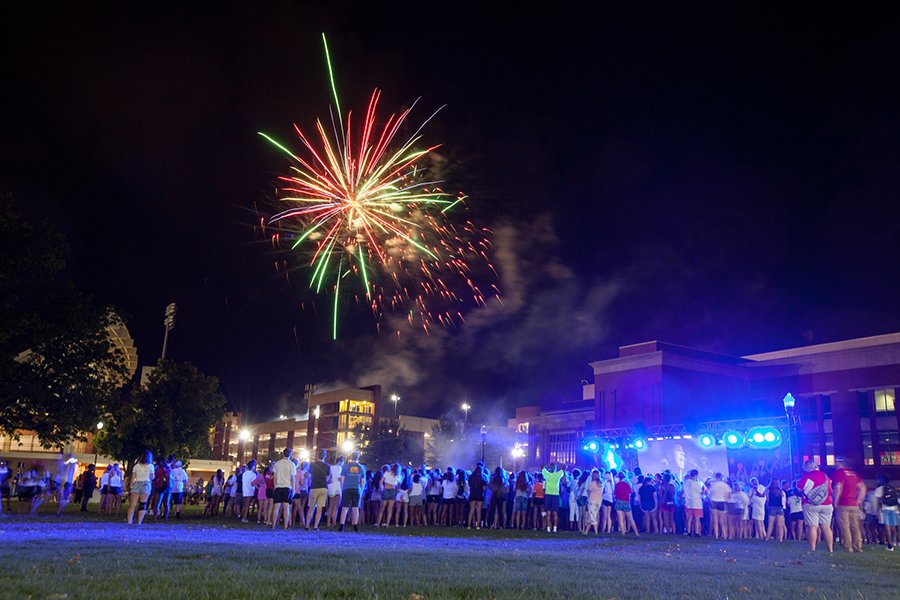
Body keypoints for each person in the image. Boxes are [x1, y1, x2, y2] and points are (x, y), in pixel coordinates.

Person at [798, 458, 834, 552]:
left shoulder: (807, 476)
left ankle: (813, 549)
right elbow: (830, 490)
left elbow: (799, 489)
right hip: (827, 503)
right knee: (826, 527)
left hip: (811, 504)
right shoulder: (826, 476)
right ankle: (830, 549)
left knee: (812, 527)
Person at [832, 456, 866, 553]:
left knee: (845, 526)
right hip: (853, 503)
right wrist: (859, 500)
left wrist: (836, 500)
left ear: (839, 463)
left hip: (843, 503)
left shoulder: (839, 473)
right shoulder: (853, 473)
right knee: (855, 525)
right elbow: (862, 487)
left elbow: (838, 486)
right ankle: (858, 546)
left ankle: (848, 547)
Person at [336, 450, 365, 532]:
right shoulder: (361, 467)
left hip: (346, 488)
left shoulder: (345, 466)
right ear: (358, 457)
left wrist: (342, 488)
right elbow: (363, 481)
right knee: (355, 508)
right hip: (356, 489)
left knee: (344, 508)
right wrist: (361, 490)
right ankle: (355, 526)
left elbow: (342, 479)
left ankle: (341, 526)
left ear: (351, 457)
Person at [270, 448, 297, 530]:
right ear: (290, 455)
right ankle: (285, 525)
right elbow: (293, 478)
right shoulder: (291, 464)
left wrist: (275, 486)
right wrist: (294, 488)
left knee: (276, 507)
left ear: (283, 454)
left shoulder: (277, 464)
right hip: (287, 487)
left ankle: (273, 525)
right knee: (286, 507)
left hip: (278, 486)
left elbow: (274, 476)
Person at [127, 450, 155, 525]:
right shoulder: (151, 466)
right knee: (143, 504)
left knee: (132, 505)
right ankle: (139, 522)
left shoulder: (136, 466)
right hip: (146, 484)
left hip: (137, 483)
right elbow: (152, 477)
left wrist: (131, 486)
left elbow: (133, 477)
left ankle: (129, 521)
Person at [874, 474, 898, 551]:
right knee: (893, 526)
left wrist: (877, 511)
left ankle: (889, 545)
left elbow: (878, 502)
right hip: (894, 508)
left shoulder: (879, 489)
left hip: (884, 509)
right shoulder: (892, 488)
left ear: (881, 480)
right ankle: (895, 541)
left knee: (887, 526)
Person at [306, 450, 329, 531]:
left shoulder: (312, 465)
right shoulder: (327, 466)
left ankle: (307, 526)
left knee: (311, 507)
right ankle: (316, 526)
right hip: (323, 487)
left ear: (317, 456)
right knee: (319, 508)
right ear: (324, 456)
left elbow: (306, 474)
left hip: (314, 487)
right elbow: (328, 478)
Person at [541, 463, 565, 533]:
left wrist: (546, 465)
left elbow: (542, 466)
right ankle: (554, 528)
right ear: (555, 468)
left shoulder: (547, 474)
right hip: (555, 495)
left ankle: (548, 528)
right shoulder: (557, 475)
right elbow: (564, 467)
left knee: (548, 512)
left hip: (548, 494)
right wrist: (560, 464)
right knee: (555, 512)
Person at [614, 471, 639, 536]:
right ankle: (636, 532)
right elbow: (630, 493)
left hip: (618, 501)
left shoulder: (617, 485)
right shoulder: (627, 484)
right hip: (626, 501)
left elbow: (615, 493)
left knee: (620, 518)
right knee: (631, 518)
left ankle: (623, 532)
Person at [682, 469, 704, 537]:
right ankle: (696, 532)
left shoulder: (686, 483)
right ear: (696, 475)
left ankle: (689, 532)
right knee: (697, 518)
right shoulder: (695, 483)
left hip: (689, 503)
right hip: (697, 503)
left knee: (689, 518)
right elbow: (701, 492)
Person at [326, 455, 344, 528]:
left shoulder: (330, 468)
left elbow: (328, 478)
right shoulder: (339, 468)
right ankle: (334, 523)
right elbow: (340, 478)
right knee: (335, 507)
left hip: (330, 488)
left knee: (330, 505)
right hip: (337, 488)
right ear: (340, 462)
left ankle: (328, 522)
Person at [468, 464, 487, 530]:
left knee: (471, 510)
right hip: (479, 495)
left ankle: (469, 525)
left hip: (472, 494)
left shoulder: (470, 477)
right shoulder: (482, 479)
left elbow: (469, 485)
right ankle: (478, 526)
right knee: (479, 511)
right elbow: (484, 489)